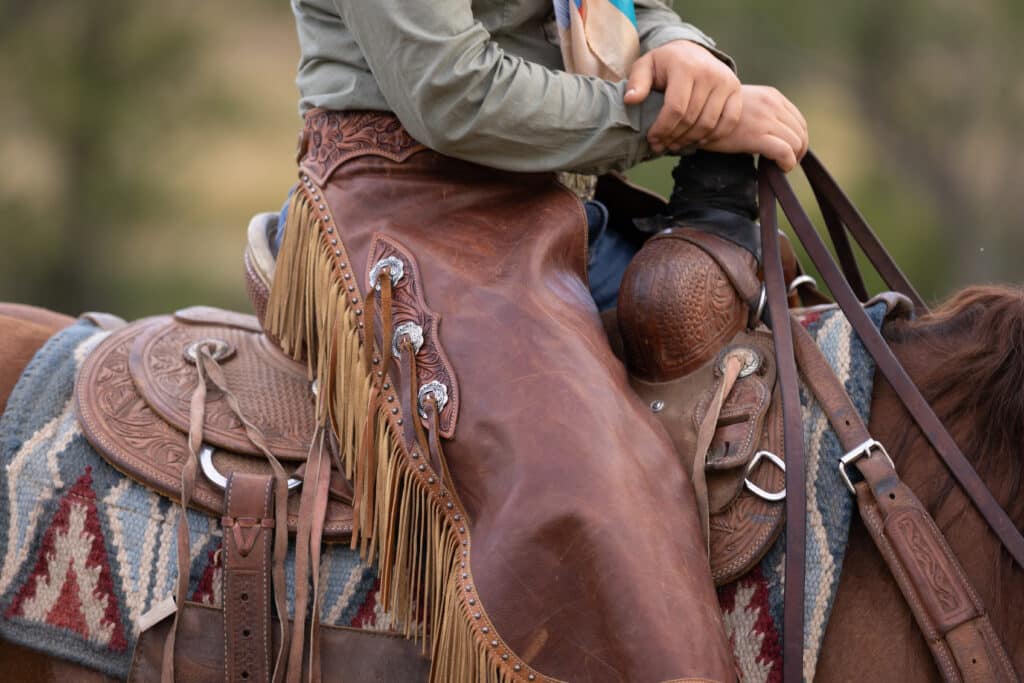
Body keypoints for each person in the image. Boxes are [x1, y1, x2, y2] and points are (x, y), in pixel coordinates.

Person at [263, 2, 808, 681]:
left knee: (809, 364)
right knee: (579, 487)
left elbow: (625, 9)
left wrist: (680, 50)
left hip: (551, 193)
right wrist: (668, 120)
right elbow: (451, 91)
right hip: (402, 195)